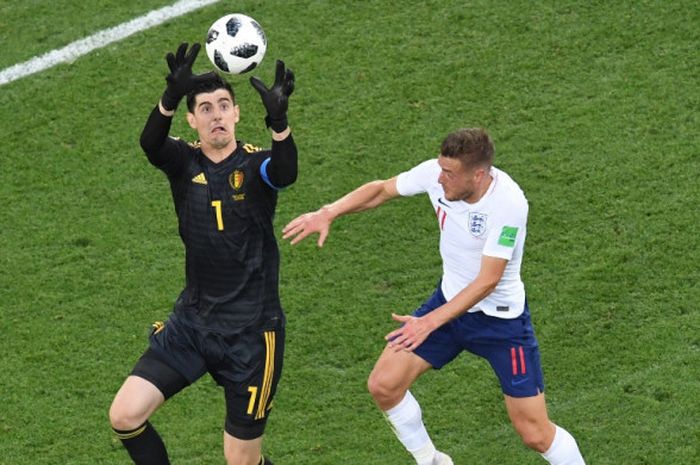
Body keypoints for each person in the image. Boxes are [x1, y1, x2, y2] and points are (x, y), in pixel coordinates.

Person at [282, 128, 586, 465]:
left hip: (501, 323)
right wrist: (329, 211)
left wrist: (429, 323)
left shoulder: (509, 204)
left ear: (479, 175)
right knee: (384, 385)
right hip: (447, 305)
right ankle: (431, 460)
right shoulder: (436, 175)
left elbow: (488, 280)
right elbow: (382, 190)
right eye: (441, 168)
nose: (440, 178)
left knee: (535, 433)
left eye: (450, 173)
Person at [109, 42, 297, 465]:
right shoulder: (184, 162)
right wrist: (170, 97)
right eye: (206, 108)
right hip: (193, 324)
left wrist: (280, 123)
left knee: (242, 462)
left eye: (224, 105)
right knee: (124, 414)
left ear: (236, 115)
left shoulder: (257, 166)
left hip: (251, 336)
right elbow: (150, 143)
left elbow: (286, 172)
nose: (217, 115)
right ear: (192, 120)